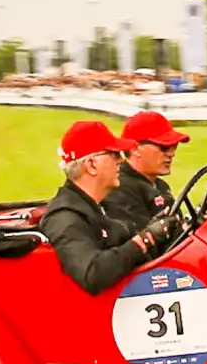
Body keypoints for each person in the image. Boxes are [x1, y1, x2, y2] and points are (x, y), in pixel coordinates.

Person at [41, 120, 182, 294]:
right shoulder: (66, 216)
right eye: (113, 154)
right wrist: (145, 239)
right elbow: (92, 274)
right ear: (92, 165)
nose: (121, 160)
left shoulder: (93, 205)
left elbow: (123, 237)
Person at [103, 110, 192, 235]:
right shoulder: (119, 189)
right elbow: (142, 246)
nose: (172, 153)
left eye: (174, 146)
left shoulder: (160, 185)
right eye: (164, 147)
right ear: (135, 149)